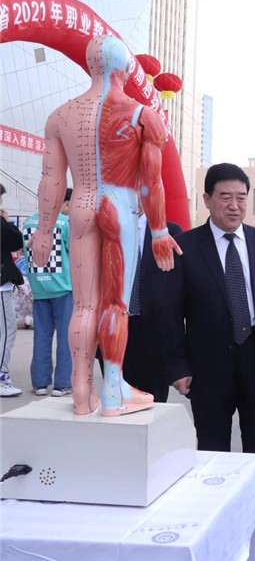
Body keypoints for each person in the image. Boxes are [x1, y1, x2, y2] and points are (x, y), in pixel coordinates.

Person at [29, 34, 180, 416]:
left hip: (81, 205)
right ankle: (113, 390)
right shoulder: (142, 114)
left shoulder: (60, 116)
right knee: (116, 304)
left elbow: (51, 179)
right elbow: (151, 182)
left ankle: (81, 392)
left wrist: (45, 230)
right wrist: (160, 231)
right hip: (120, 207)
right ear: (126, 68)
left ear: (90, 65)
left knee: (84, 305)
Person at [167, 163, 255, 465]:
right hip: (208, 363)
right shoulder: (185, 247)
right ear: (207, 199)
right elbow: (170, 313)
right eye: (225, 197)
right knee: (212, 450)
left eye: (241, 197)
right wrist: (178, 367)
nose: (234, 205)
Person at [121, 209, 183, 402]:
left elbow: (178, 284)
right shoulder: (106, 229)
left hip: (155, 332)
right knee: (118, 402)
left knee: (154, 403)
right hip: (116, 328)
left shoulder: (170, 232)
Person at [21, 188, 73, 397]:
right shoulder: (64, 223)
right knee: (66, 337)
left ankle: (40, 382)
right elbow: (74, 252)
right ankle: (62, 383)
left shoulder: (28, 223)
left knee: (41, 336)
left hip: (39, 287)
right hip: (63, 287)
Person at [1, 183, 25, 397]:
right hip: (1, 285)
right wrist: (7, 221)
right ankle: (1, 377)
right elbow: (17, 241)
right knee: (7, 331)